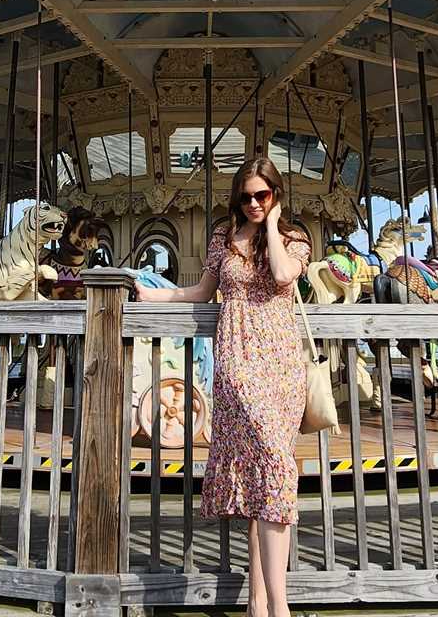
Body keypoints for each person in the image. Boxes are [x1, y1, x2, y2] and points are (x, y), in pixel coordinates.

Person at [134, 156, 310, 617]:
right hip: (237, 361)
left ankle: (269, 603)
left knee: (268, 472)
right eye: (247, 196)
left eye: (263, 195)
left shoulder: (295, 239)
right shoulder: (222, 239)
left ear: (275, 195)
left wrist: (271, 225)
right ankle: (272, 605)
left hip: (281, 362)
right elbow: (200, 292)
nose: (253, 203)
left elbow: (283, 276)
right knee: (268, 471)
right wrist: (152, 293)